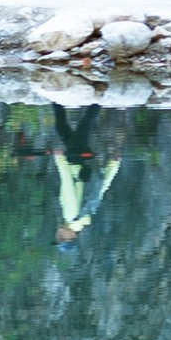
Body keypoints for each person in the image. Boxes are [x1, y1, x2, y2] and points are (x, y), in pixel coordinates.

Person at [47, 101, 123, 245]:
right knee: (84, 125)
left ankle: (56, 97)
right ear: (72, 236)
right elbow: (67, 184)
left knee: (63, 128)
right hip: (75, 160)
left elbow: (102, 187)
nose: (59, 235)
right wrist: (60, 160)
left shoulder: (87, 215)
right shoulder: (70, 215)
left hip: (85, 161)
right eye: (62, 238)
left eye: (59, 238)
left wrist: (114, 165)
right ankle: (99, 97)